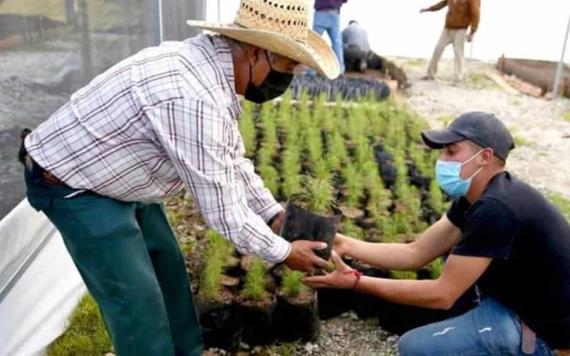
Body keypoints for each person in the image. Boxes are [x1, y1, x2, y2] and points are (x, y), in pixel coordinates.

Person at [18, 0, 340, 355]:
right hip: (73, 185)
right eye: (288, 64)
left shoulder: (213, 71)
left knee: (170, 279)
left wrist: (272, 215)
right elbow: (225, 213)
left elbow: (230, 159)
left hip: (121, 176)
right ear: (255, 52)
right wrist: (283, 252)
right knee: (138, 305)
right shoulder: (193, 94)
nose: (289, 77)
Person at [305, 112, 570, 355]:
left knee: (416, 347)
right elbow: (415, 253)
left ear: (485, 157)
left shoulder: (497, 208)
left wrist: (355, 282)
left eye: (451, 151)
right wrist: (345, 244)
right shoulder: (474, 198)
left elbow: (442, 294)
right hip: (516, 303)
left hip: (546, 332)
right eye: (442, 152)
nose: (441, 160)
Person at [420, 0, 480, 82]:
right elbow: (442, 4)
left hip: (461, 29)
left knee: (458, 53)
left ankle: (458, 78)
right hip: (448, 28)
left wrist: (472, 31)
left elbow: (475, 13)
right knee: (438, 49)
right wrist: (428, 9)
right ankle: (430, 74)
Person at [313, 0, 347, 74]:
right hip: (334, 12)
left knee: (313, 42)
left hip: (321, 11)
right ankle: (340, 70)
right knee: (337, 44)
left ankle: (311, 70)